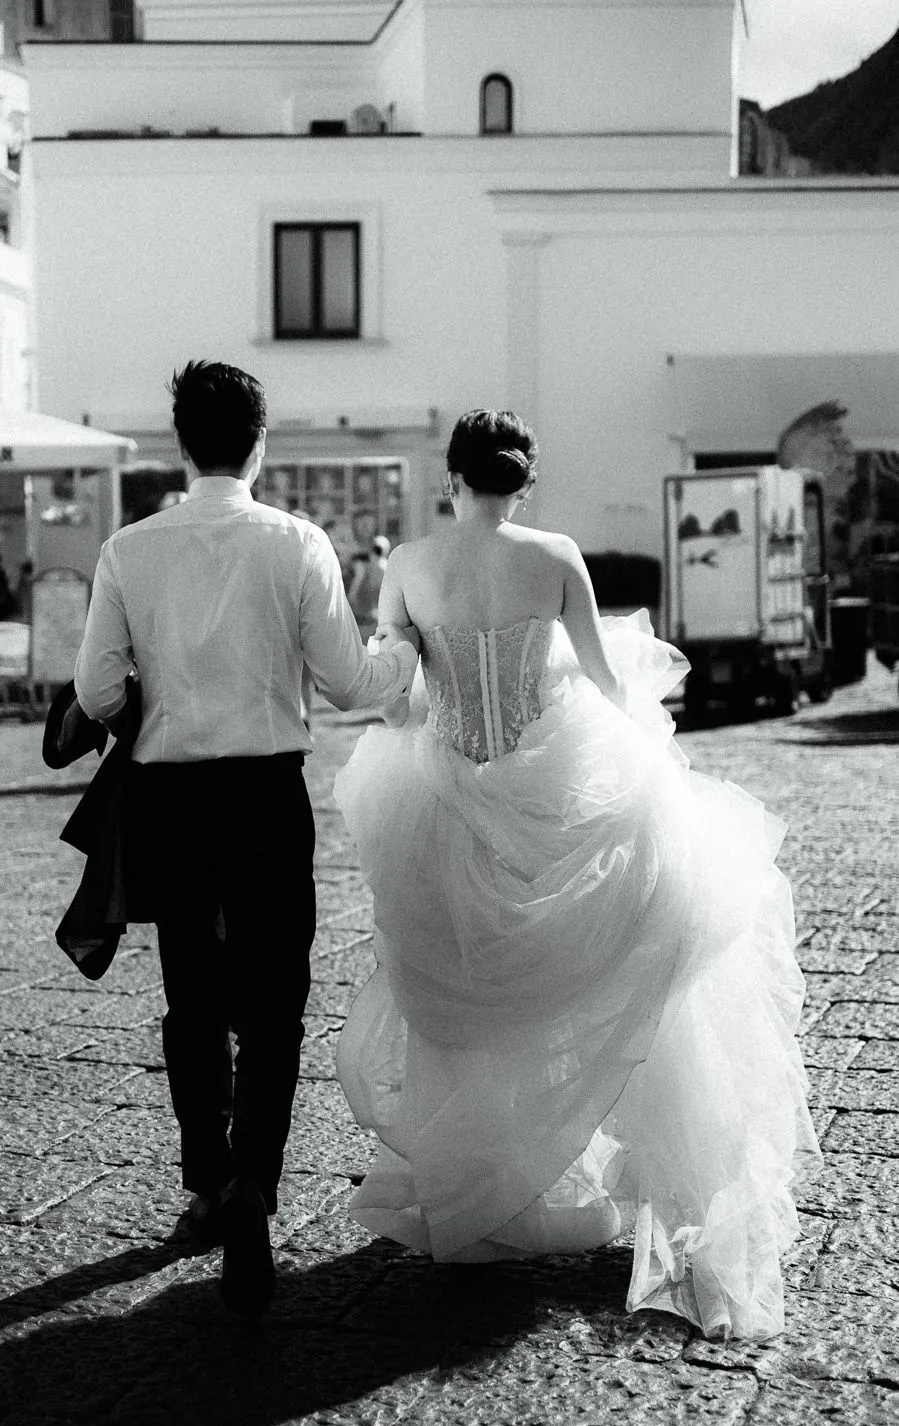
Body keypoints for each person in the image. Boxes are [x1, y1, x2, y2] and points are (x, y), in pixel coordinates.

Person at [332, 409, 821, 1342]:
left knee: (471, 992)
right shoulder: (554, 553)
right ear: (524, 482)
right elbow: (600, 678)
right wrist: (653, 758)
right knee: (639, 955)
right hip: (555, 788)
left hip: (445, 797)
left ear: (453, 477)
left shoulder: (408, 564)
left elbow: (398, 679)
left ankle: (480, 1194)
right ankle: (644, 1179)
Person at [73, 359, 417, 1317]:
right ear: (260, 443)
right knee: (273, 1002)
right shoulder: (297, 542)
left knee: (191, 995)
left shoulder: (129, 548)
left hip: (170, 801)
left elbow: (97, 691)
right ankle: (256, 1186)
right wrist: (408, 657)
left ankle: (209, 1180)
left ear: (180, 446)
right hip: (267, 795)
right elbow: (350, 683)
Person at [348, 533, 391, 643]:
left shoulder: (364, 567)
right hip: (379, 618)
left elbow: (354, 590)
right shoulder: (388, 568)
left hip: (365, 617)